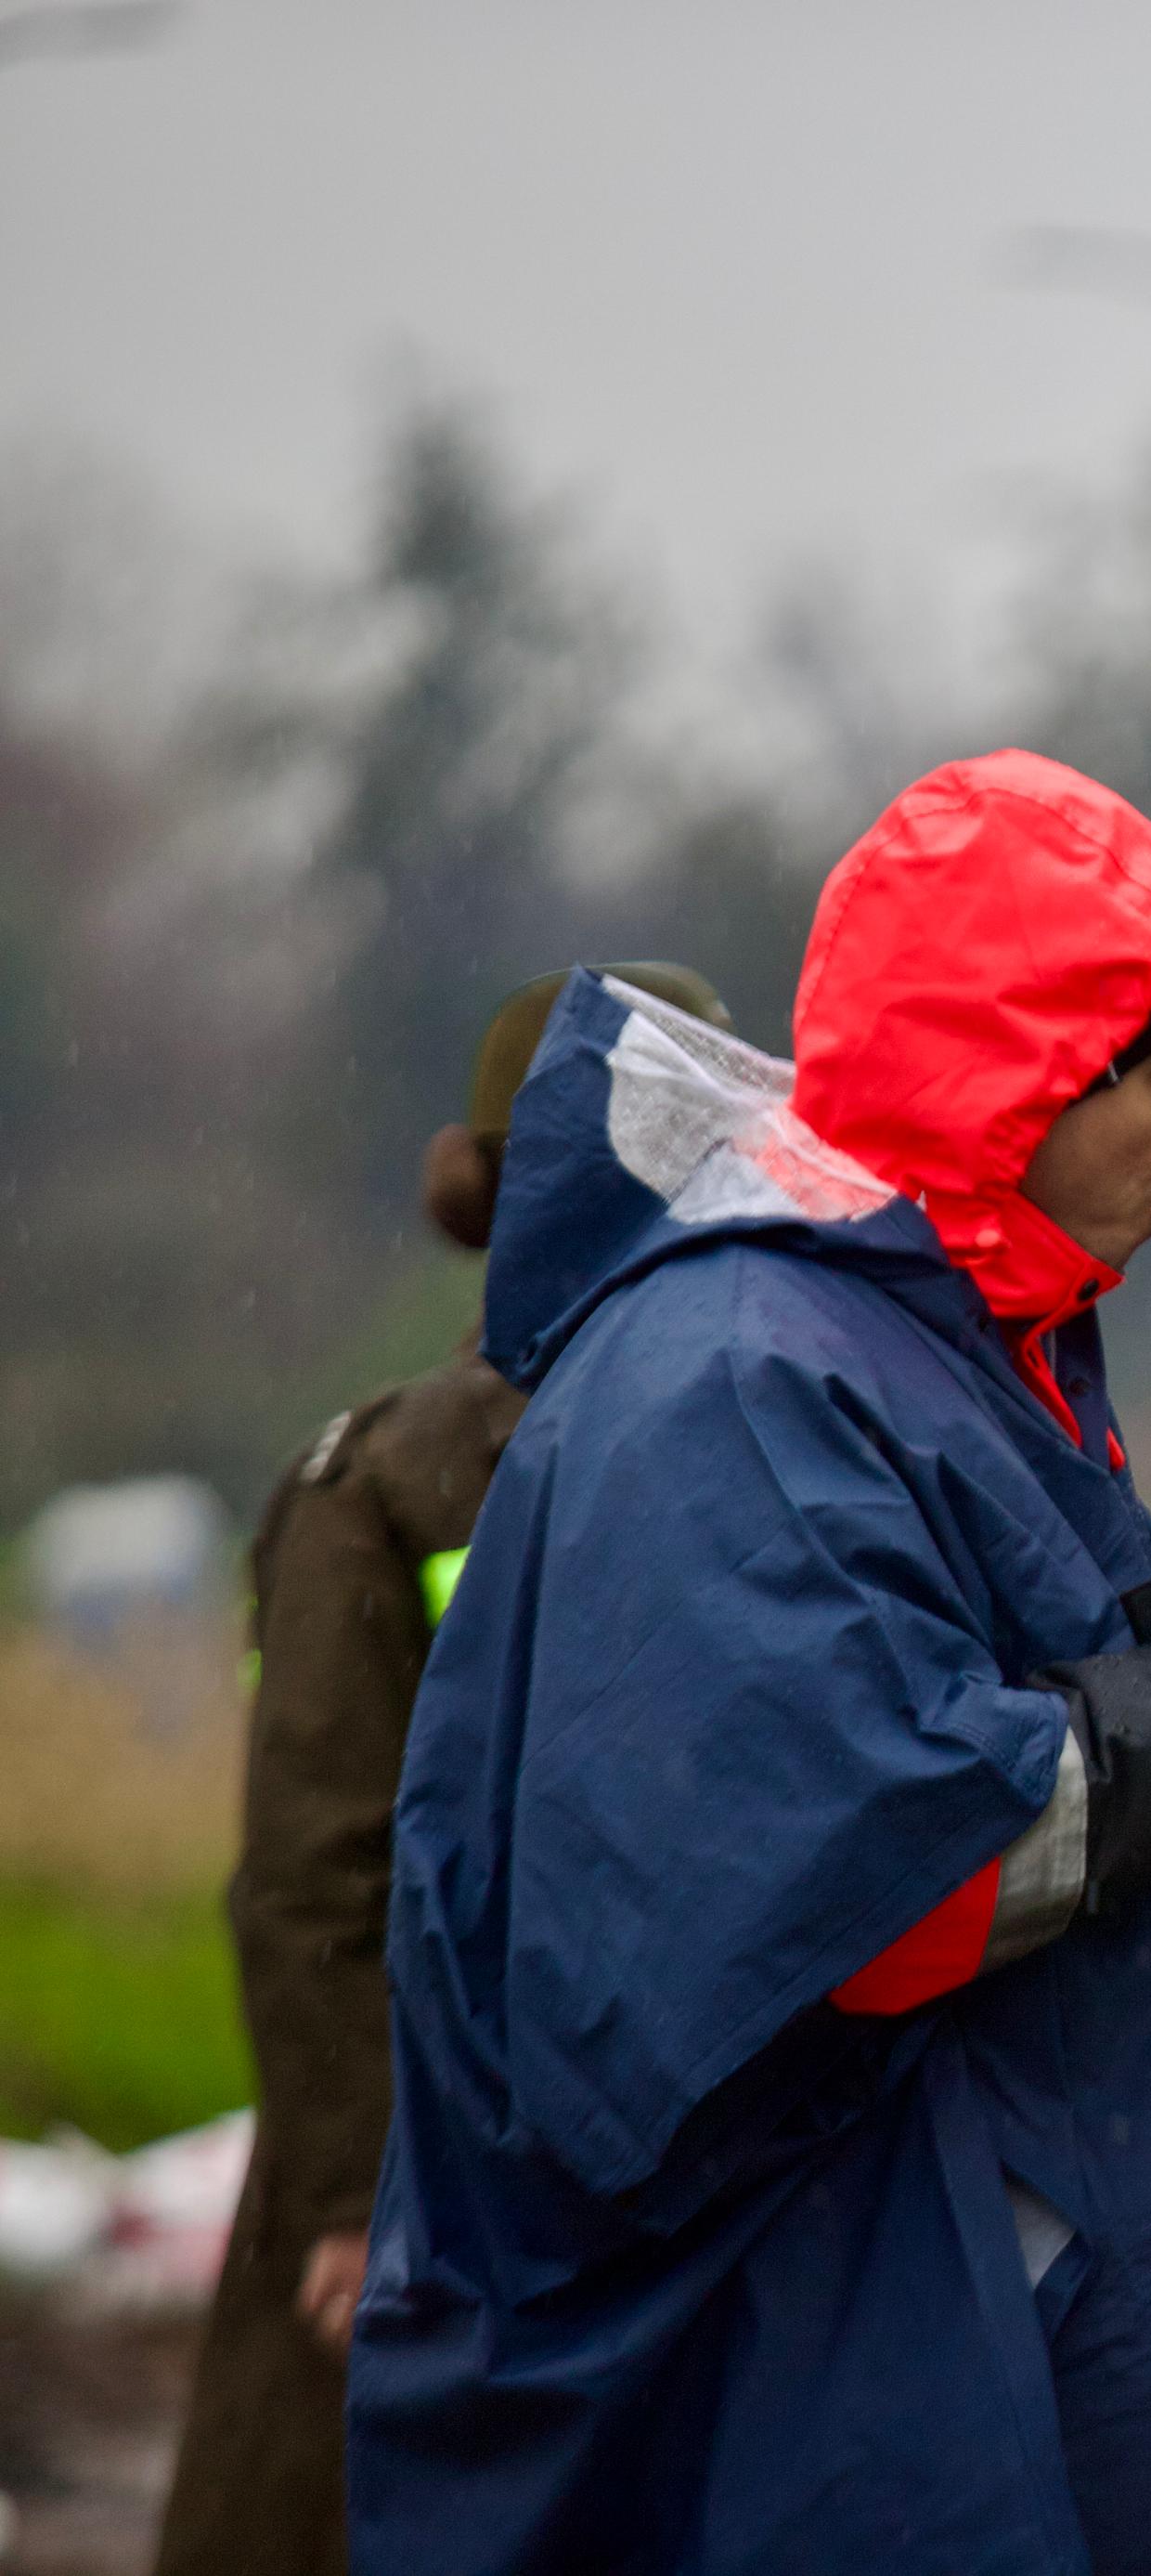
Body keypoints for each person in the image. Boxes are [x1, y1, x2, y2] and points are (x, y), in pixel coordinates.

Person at [347, 751, 1151, 2575]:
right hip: (822, 2361)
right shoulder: (747, 1376)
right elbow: (885, 1878)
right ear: (1008, 1082)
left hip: (951, 2303)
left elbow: (976, 1757)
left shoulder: (938, 1323)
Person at [149, 963, 727, 2576]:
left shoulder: (745, 1428)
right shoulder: (391, 1484)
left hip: (558, 2156)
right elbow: (321, 1870)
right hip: (453, 2156)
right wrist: (349, 2196)